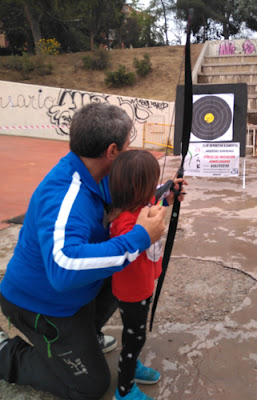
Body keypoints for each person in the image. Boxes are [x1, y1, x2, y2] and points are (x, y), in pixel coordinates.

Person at [0, 103, 168, 400]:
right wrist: (139, 239)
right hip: (40, 304)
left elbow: (128, 199)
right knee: (90, 386)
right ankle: (6, 352)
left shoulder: (98, 174)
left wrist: (164, 192)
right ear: (113, 151)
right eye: (129, 144)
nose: (131, 150)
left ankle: (83, 339)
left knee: (123, 279)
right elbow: (64, 270)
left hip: (69, 297)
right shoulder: (66, 195)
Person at [108, 150, 186, 400]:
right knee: (134, 338)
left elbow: (155, 204)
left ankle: (132, 367)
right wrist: (162, 204)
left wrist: (168, 195)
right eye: (152, 182)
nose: (156, 187)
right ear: (138, 188)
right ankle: (125, 390)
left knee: (135, 334)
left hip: (141, 287)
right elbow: (137, 234)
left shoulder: (139, 207)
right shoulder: (127, 221)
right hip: (132, 292)